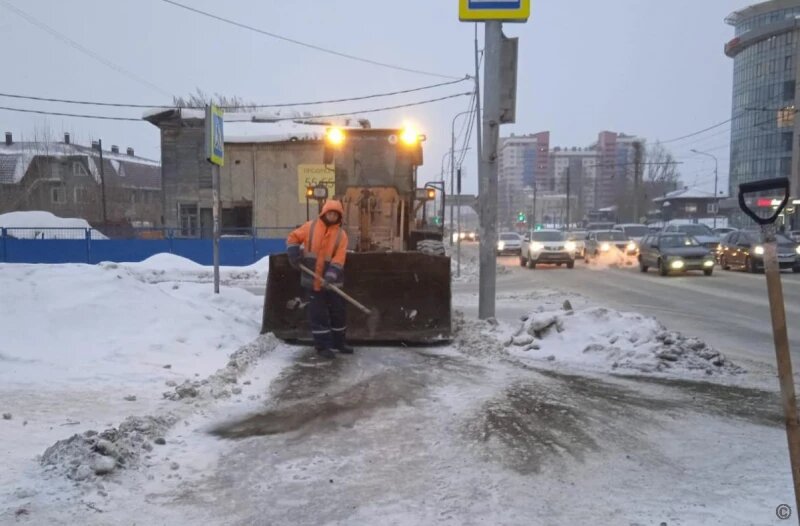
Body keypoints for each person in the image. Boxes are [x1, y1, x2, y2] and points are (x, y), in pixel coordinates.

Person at [286, 200, 354, 359]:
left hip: (333, 283)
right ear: (324, 213)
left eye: (335, 214)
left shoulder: (341, 235)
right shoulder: (310, 227)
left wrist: (331, 275)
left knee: (338, 312)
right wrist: (294, 254)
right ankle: (322, 346)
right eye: (330, 213)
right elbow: (293, 237)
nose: (332, 216)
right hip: (312, 280)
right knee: (318, 314)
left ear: (339, 216)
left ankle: (339, 343)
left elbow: (339, 258)